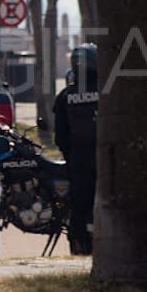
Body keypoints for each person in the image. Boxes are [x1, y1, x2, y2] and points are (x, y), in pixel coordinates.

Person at [53, 43, 98, 255]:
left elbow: (60, 135)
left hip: (78, 159)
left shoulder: (65, 96)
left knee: (79, 203)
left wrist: (69, 156)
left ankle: (80, 243)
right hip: (105, 158)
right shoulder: (107, 92)